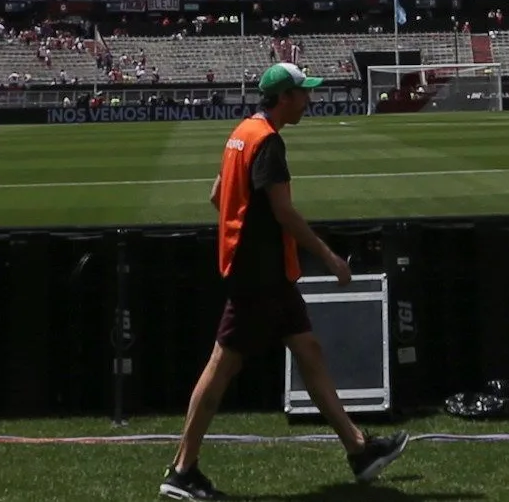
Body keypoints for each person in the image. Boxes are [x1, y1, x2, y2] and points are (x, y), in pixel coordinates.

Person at [162, 65, 400, 499]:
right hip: (258, 274)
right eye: (302, 94)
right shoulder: (268, 142)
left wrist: (240, 226)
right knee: (222, 365)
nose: (308, 101)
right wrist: (329, 257)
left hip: (265, 271)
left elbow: (218, 195)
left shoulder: (242, 133)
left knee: (307, 349)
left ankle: (359, 450)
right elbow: (284, 212)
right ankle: (181, 471)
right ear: (284, 97)